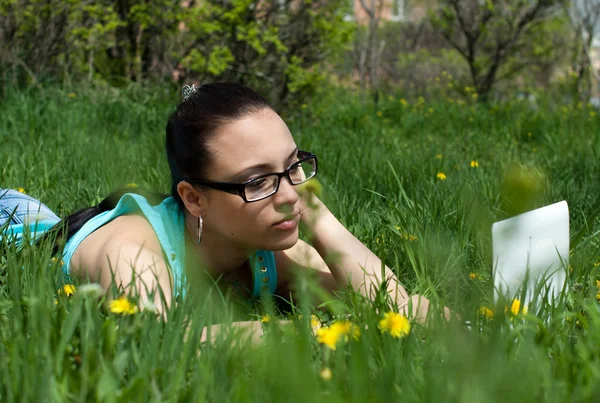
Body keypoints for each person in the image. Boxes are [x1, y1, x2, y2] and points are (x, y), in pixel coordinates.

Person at [1, 82, 448, 341]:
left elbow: (392, 306)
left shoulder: (271, 249)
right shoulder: (133, 253)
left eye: (293, 166)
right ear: (194, 198)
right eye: (257, 181)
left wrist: (322, 220)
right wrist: (311, 333)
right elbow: (165, 343)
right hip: (14, 222)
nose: (289, 195)